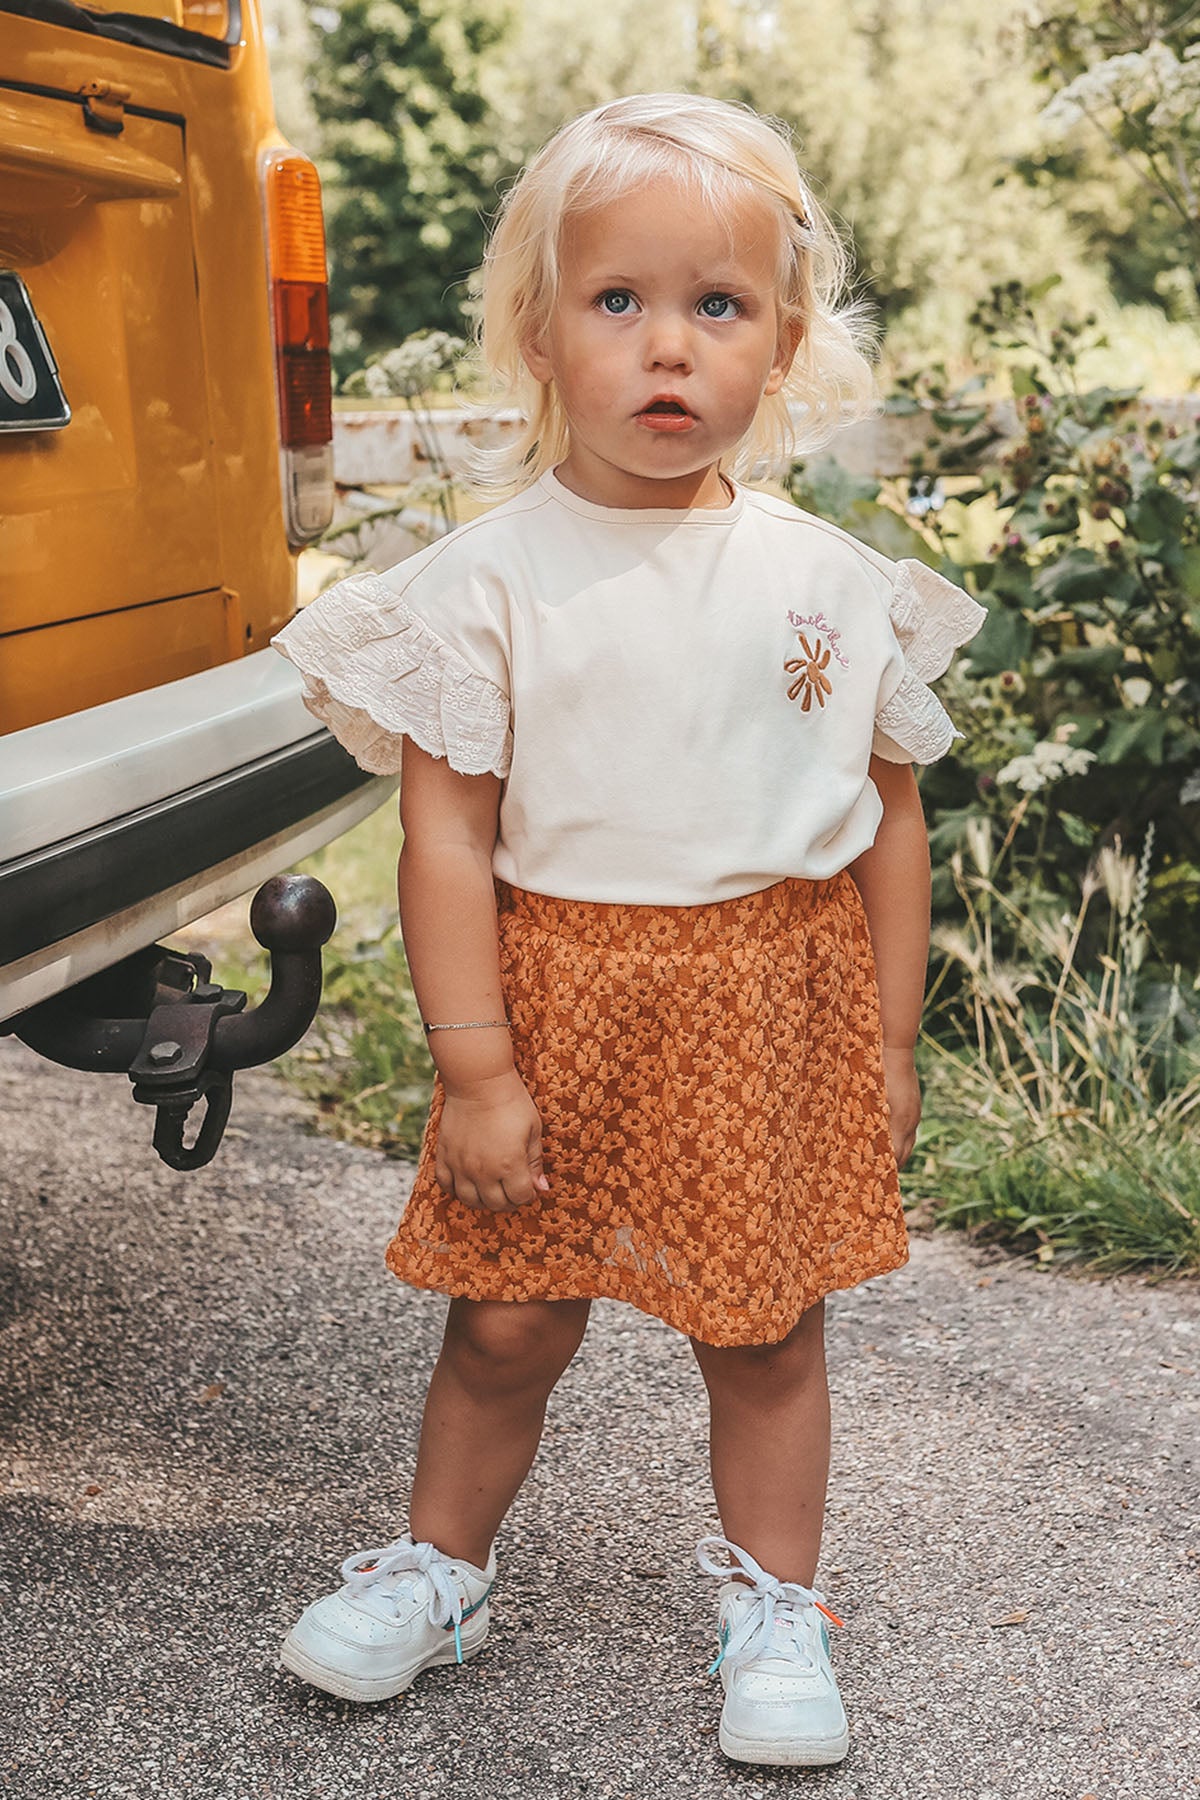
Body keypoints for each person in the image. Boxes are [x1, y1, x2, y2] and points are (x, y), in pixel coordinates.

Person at [271, 91, 985, 1768]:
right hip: (556, 1007)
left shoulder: (829, 582)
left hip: (769, 1005)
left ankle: (778, 1606)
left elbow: (888, 819)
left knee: (765, 1327)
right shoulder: (488, 583)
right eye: (619, 302)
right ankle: (443, 1570)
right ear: (540, 332)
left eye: (718, 306)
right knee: (507, 1318)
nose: (670, 347)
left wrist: (890, 1043)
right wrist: (476, 1069)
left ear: (782, 343)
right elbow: (445, 838)